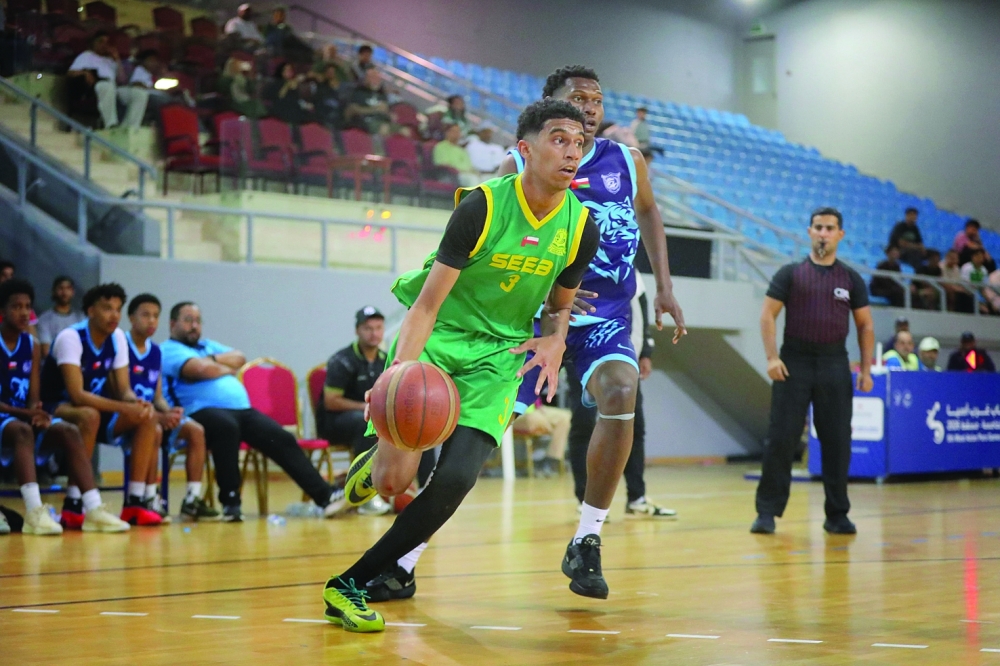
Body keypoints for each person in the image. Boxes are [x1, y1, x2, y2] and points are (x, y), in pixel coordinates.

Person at [374, 66, 688, 605]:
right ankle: (404, 559)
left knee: (621, 392)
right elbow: (493, 249)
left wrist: (663, 284)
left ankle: (587, 536)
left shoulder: (626, 162)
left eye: (597, 98)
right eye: (577, 100)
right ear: (549, 111)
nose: (590, 108)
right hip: (529, 323)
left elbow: (651, 215)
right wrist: (549, 301)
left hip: (605, 314)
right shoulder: (515, 166)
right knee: (469, 451)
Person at [323, 99, 599, 632]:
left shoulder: (580, 226)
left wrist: (554, 340)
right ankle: (370, 469)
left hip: (499, 357)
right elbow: (426, 306)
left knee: (454, 480)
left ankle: (348, 585)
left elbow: (562, 304)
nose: (572, 152)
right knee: (391, 483)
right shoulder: (482, 207)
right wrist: (397, 373)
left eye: (579, 143)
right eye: (560, 139)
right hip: (441, 339)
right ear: (525, 149)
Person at [161, 302, 346, 522]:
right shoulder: (169, 349)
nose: (194, 326)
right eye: (188, 320)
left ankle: (326, 496)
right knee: (225, 428)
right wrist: (220, 367)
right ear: (173, 323)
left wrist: (211, 362)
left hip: (241, 411)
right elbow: (198, 369)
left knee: (281, 437)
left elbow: (239, 358)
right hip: (199, 412)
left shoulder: (206, 347)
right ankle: (231, 502)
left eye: (198, 320)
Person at [752, 207, 874, 536]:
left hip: (834, 363)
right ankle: (766, 513)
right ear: (809, 232)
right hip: (794, 363)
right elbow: (767, 316)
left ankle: (837, 515)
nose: (823, 233)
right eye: (818, 227)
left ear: (840, 235)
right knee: (781, 438)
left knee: (837, 442)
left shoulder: (850, 278)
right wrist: (772, 357)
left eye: (829, 228)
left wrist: (865, 369)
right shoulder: (790, 273)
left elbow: (865, 326)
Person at [0, 279, 128, 535]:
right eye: (17, 307)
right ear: (2, 311)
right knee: (22, 430)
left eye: (28, 307)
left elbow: (33, 396)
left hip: (22, 418)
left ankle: (92, 509)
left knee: (69, 431)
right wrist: (29, 415)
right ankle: (35, 513)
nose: (25, 312)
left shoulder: (32, 346)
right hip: (9, 419)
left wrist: (38, 413)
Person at [40, 283, 163, 528]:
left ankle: (135, 504)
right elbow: (77, 395)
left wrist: (135, 403)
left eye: (118, 309)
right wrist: (122, 407)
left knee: (148, 416)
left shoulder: (117, 337)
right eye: (107, 308)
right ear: (91, 311)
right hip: (54, 407)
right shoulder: (70, 338)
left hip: (96, 409)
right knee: (89, 415)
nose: (114, 315)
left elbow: (123, 389)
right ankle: (74, 506)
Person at [565, 272, 675, 518]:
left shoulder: (631, 272)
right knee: (583, 423)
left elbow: (642, 312)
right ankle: (585, 500)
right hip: (580, 352)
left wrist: (645, 351)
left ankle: (637, 497)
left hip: (622, 358)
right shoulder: (580, 262)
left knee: (633, 425)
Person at [125, 294, 219, 522]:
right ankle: (148, 496)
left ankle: (192, 500)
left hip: (154, 412)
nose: (151, 321)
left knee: (196, 430)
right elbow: (122, 392)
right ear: (131, 318)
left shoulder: (156, 352)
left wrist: (168, 411)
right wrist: (158, 415)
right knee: (154, 429)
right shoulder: (122, 345)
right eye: (145, 315)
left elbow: (158, 396)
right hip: (131, 414)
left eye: (155, 316)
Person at [320, 306, 392, 516]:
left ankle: (422, 487)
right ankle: (365, 492)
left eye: (378, 328)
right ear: (357, 331)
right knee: (365, 422)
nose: (374, 333)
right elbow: (331, 401)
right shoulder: (341, 360)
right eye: (368, 328)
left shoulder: (386, 360)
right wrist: (366, 407)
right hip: (336, 424)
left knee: (413, 426)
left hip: (371, 420)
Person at [67, 31, 148, 129]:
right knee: (106, 86)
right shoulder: (87, 55)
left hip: (114, 87)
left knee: (140, 93)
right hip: (95, 87)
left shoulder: (110, 60)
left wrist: (117, 59)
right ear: (93, 43)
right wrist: (84, 73)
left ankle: (129, 127)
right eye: (100, 42)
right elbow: (70, 73)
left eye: (106, 42)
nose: (104, 45)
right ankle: (111, 124)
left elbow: (122, 80)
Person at [36, 276, 84, 358]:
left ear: (73, 292)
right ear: (54, 291)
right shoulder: (44, 319)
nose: (64, 292)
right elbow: (46, 351)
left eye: (68, 288)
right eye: (61, 288)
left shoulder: (81, 317)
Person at [343, 67, 391, 135]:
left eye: (377, 77)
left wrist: (389, 114)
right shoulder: (358, 92)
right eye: (372, 77)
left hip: (381, 122)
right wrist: (375, 109)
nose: (376, 80)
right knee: (382, 128)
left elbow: (385, 111)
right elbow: (352, 110)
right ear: (366, 79)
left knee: (404, 130)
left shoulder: (382, 95)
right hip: (363, 123)